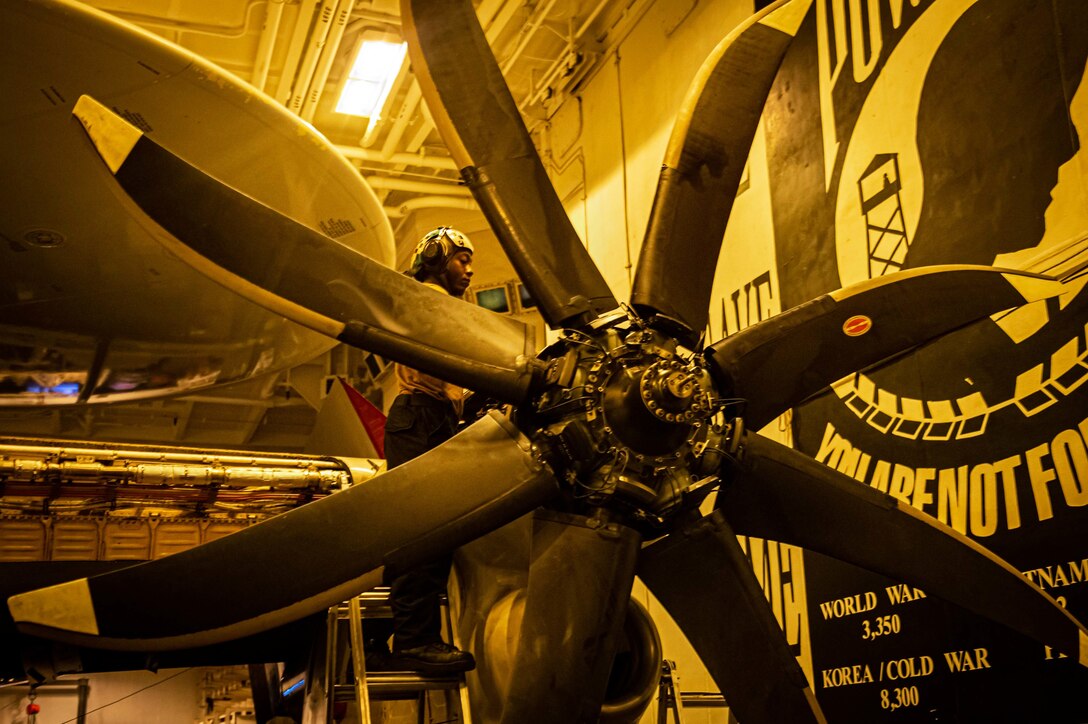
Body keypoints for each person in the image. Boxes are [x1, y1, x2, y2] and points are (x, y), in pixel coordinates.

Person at [365, 226, 477, 675]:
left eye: (470, 261)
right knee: (424, 535)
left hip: (435, 417)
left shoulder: (446, 304)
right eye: (460, 259)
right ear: (435, 257)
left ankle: (388, 635)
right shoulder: (429, 300)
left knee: (436, 534)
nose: (468, 269)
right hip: (422, 416)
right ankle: (415, 640)